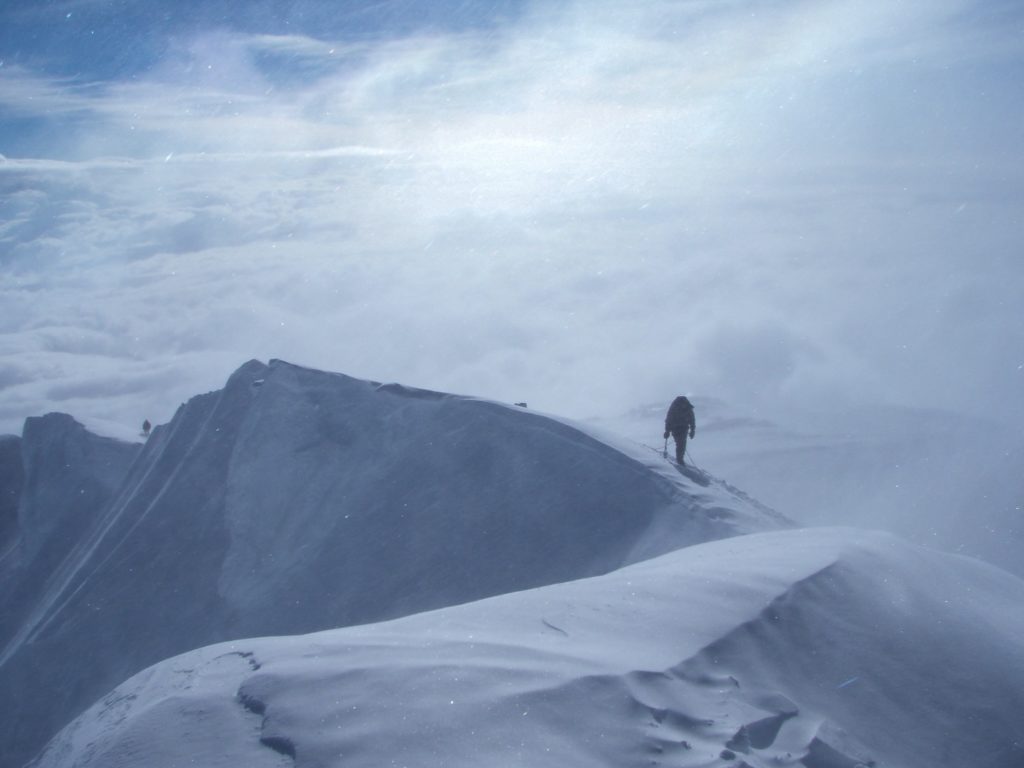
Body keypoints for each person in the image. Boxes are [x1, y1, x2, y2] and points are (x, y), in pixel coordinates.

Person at [663, 396, 696, 464]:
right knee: (681, 444)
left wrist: (692, 430)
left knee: (681, 443)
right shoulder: (674, 408)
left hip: (683, 428)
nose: (683, 406)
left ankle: (680, 458)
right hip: (675, 429)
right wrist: (667, 431)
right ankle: (680, 459)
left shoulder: (688, 409)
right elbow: (669, 420)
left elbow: (692, 420)